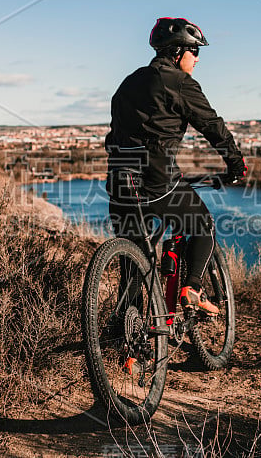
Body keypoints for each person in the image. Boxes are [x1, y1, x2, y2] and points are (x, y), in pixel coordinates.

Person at [105, 17, 247, 317]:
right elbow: (212, 125)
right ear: (176, 51)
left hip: (119, 179)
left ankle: (126, 342)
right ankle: (192, 288)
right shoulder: (180, 82)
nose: (196, 58)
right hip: (156, 178)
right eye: (194, 51)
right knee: (202, 224)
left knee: (133, 265)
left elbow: (113, 134)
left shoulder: (128, 82)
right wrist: (235, 163)